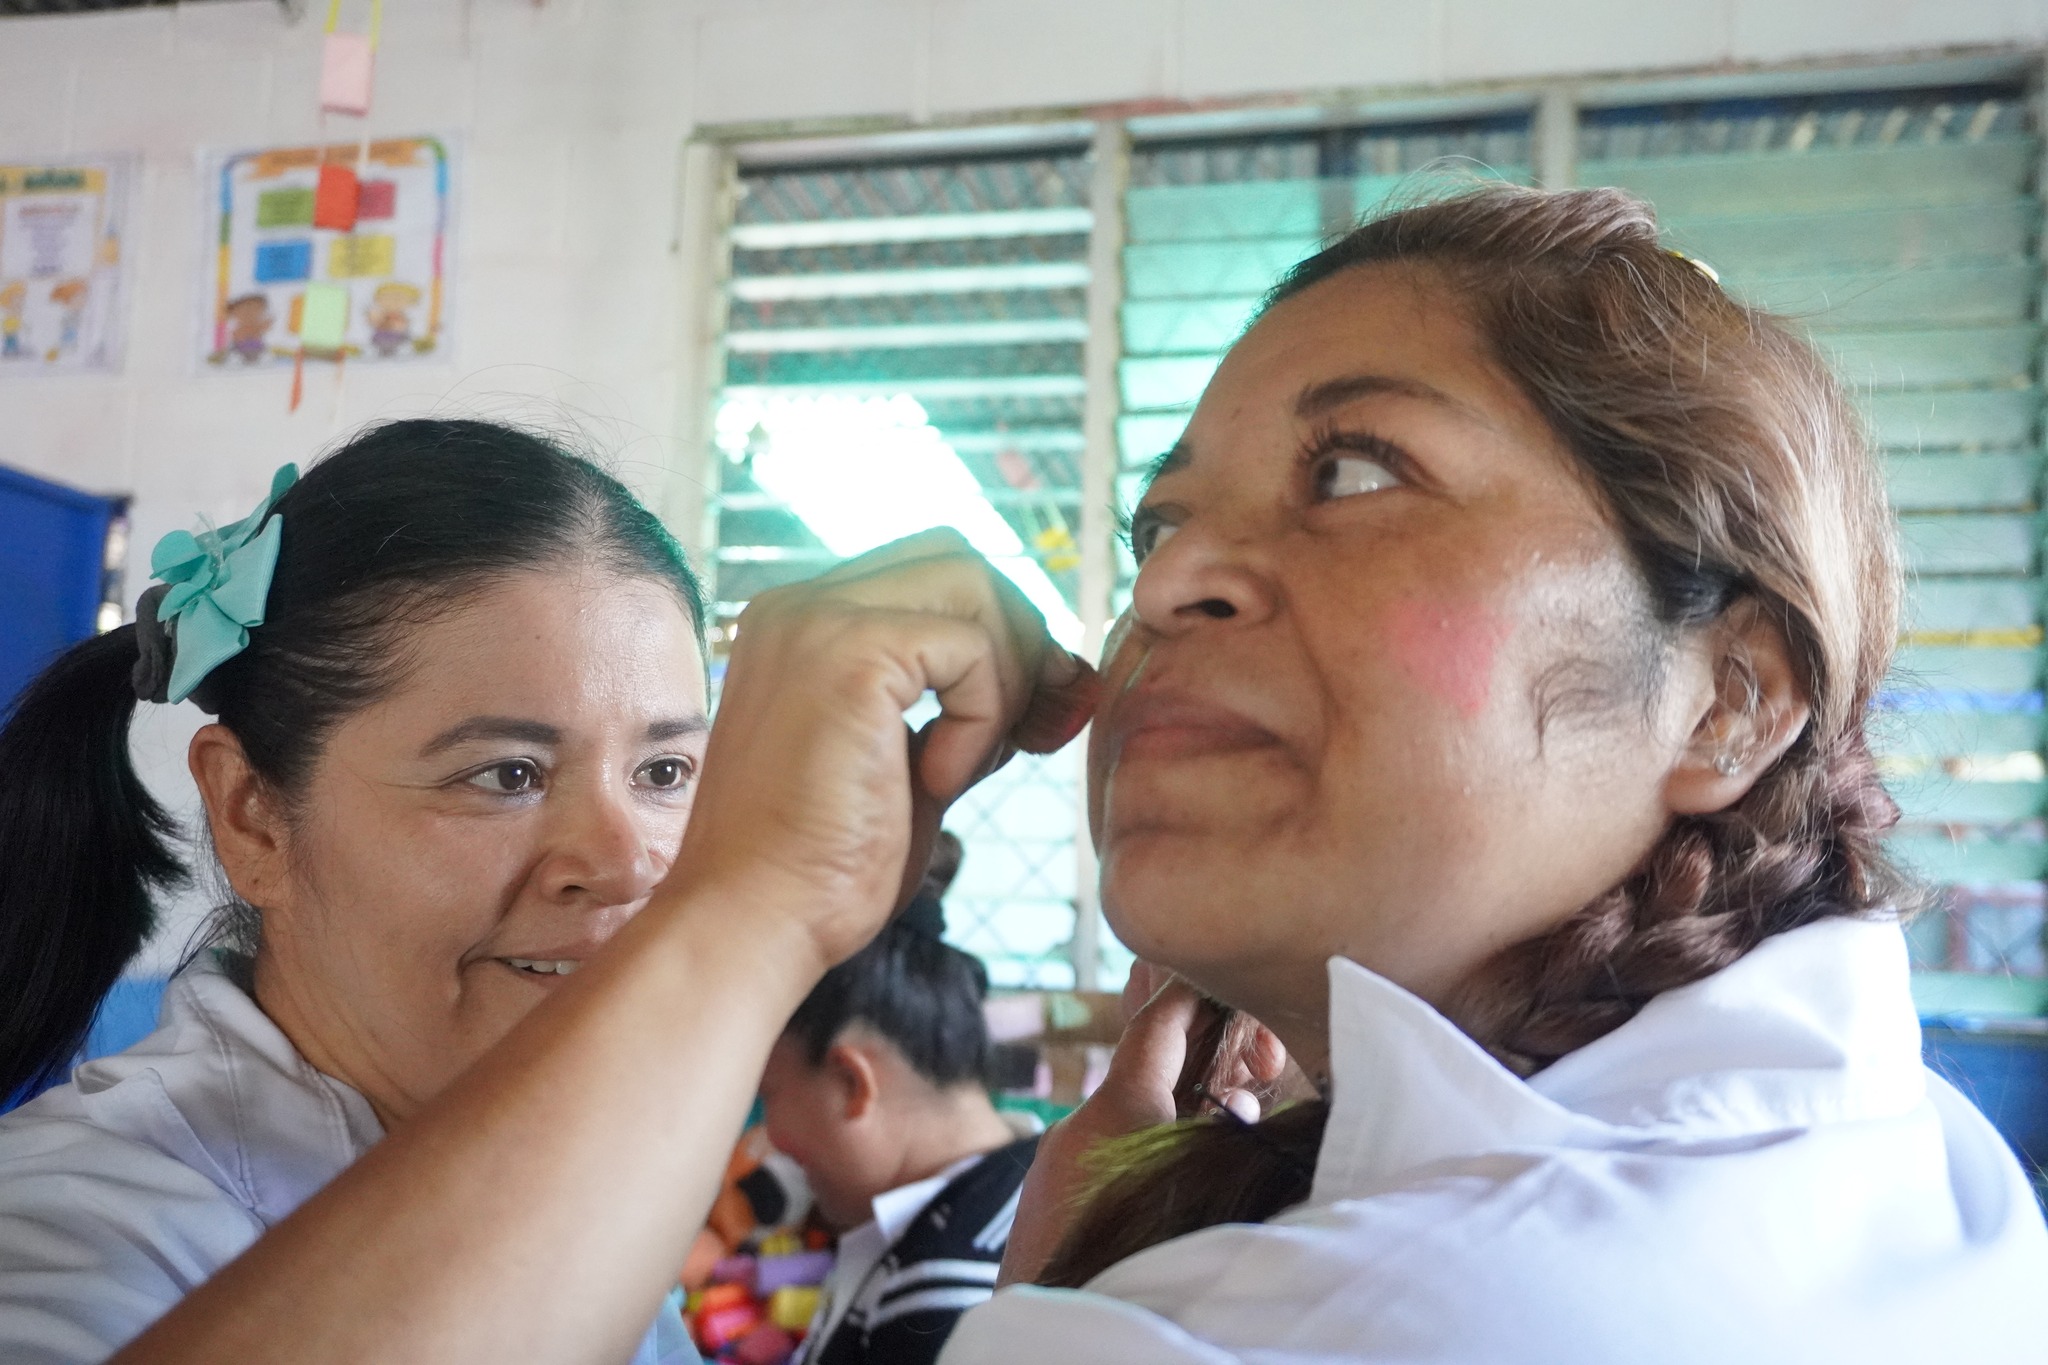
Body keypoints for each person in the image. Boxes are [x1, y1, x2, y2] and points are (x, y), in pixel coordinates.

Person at [937, 183, 2048, 1362]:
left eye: (1350, 475)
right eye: (1157, 528)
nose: (1167, 584)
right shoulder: (1907, 1156)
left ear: (1727, 701)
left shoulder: (1257, 1333)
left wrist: (789, 911)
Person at [0, 414, 1088, 1365]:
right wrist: (752, 916)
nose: (624, 864)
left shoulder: (599, 1184)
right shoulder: (74, 1226)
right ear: (252, 817)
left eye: (664, 772)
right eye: (506, 774)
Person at [758, 833, 1038, 1365]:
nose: (771, 1138)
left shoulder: (939, 1300)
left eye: (769, 1094)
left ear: (852, 1082)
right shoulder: (1023, 1186)